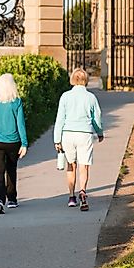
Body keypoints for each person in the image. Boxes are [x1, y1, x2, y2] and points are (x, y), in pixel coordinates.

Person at [53, 68, 103, 211]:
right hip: (84, 134)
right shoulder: (91, 97)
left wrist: (57, 139)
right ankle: (83, 191)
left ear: (72, 80)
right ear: (86, 80)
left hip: (68, 134)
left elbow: (60, 119)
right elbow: (96, 118)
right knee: (84, 165)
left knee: (71, 164)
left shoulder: (65, 96)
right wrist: (99, 132)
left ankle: (71, 196)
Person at [0, 73, 28, 215]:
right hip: (12, 142)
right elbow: (20, 124)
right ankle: (12, 199)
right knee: (11, 169)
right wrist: (24, 143)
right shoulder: (16, 101)